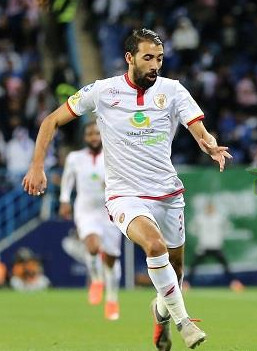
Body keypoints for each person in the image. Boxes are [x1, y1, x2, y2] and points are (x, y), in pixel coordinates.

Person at [22, 28, 231, 350]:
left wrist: (211, 146)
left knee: (174, 273)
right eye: (148, 58)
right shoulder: (103, 91)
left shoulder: (173, 90)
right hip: (124, 195)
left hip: (168, 193)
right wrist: (37, 166)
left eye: (159, 58)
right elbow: (50, 121)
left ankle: (161, 313)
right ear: (129, 58)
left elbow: (198, 129)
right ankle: (183, 321)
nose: (155, 65)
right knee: (154, 246)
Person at [59, 120, 123, 320]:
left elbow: (126, 179)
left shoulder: (114, 157)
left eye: (97, 133)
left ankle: (112, 300)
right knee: (92, 246)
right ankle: (96, 280)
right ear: (85, 137)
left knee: (111, 259)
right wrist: (63, 200)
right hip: (85, 210)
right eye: (90, 134)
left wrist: (114, 184)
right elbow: (68, 179)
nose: (94, 137)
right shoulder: (75, 158)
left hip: (110, 211)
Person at [188, 201, 244, 292]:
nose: (210, 210)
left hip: (216, 246)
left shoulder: (219, 218)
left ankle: (234, 283)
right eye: (208, 208)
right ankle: (187, 283)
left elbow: (228, 227)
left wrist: (221, 236)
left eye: (211, 208)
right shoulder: (200, 218)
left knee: (226, 266)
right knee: (193, 265)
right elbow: (192, 228)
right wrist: (199, 235)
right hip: (203, 246)